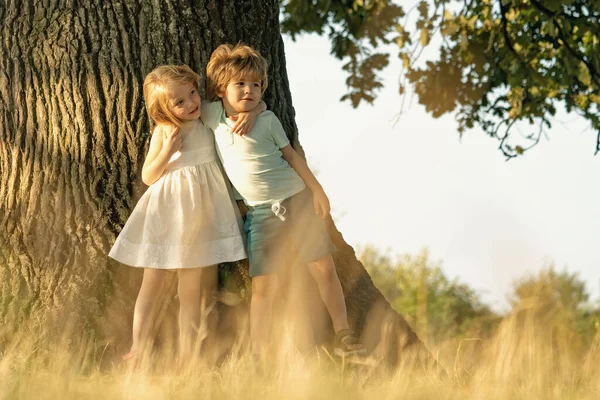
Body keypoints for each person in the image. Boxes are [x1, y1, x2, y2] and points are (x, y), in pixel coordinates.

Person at [202, 44, 366, 358]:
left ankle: (343, 330)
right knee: (264, 285)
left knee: (324, 268)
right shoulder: (214, 116)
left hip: (296, 201)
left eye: (256, 85)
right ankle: (259, 352)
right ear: (221, 89)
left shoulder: (268, 119)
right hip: (261, 213)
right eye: (240, 84)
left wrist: (317, 190)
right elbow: (189, 107)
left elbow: (291, 156)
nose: (249, 91)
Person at [109, 64, 259, 361]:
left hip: (202, 215)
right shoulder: (165, 131)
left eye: (192, 93)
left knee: (192, 290)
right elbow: (149, 176)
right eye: (180, 101)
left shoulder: (206, 116)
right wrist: (166, 151)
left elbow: (249, 103)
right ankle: (139, 346)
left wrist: (252, 113)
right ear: (164, 108)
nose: (191, 103)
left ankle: (188, 354)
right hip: (168, 214)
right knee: (152, 282)